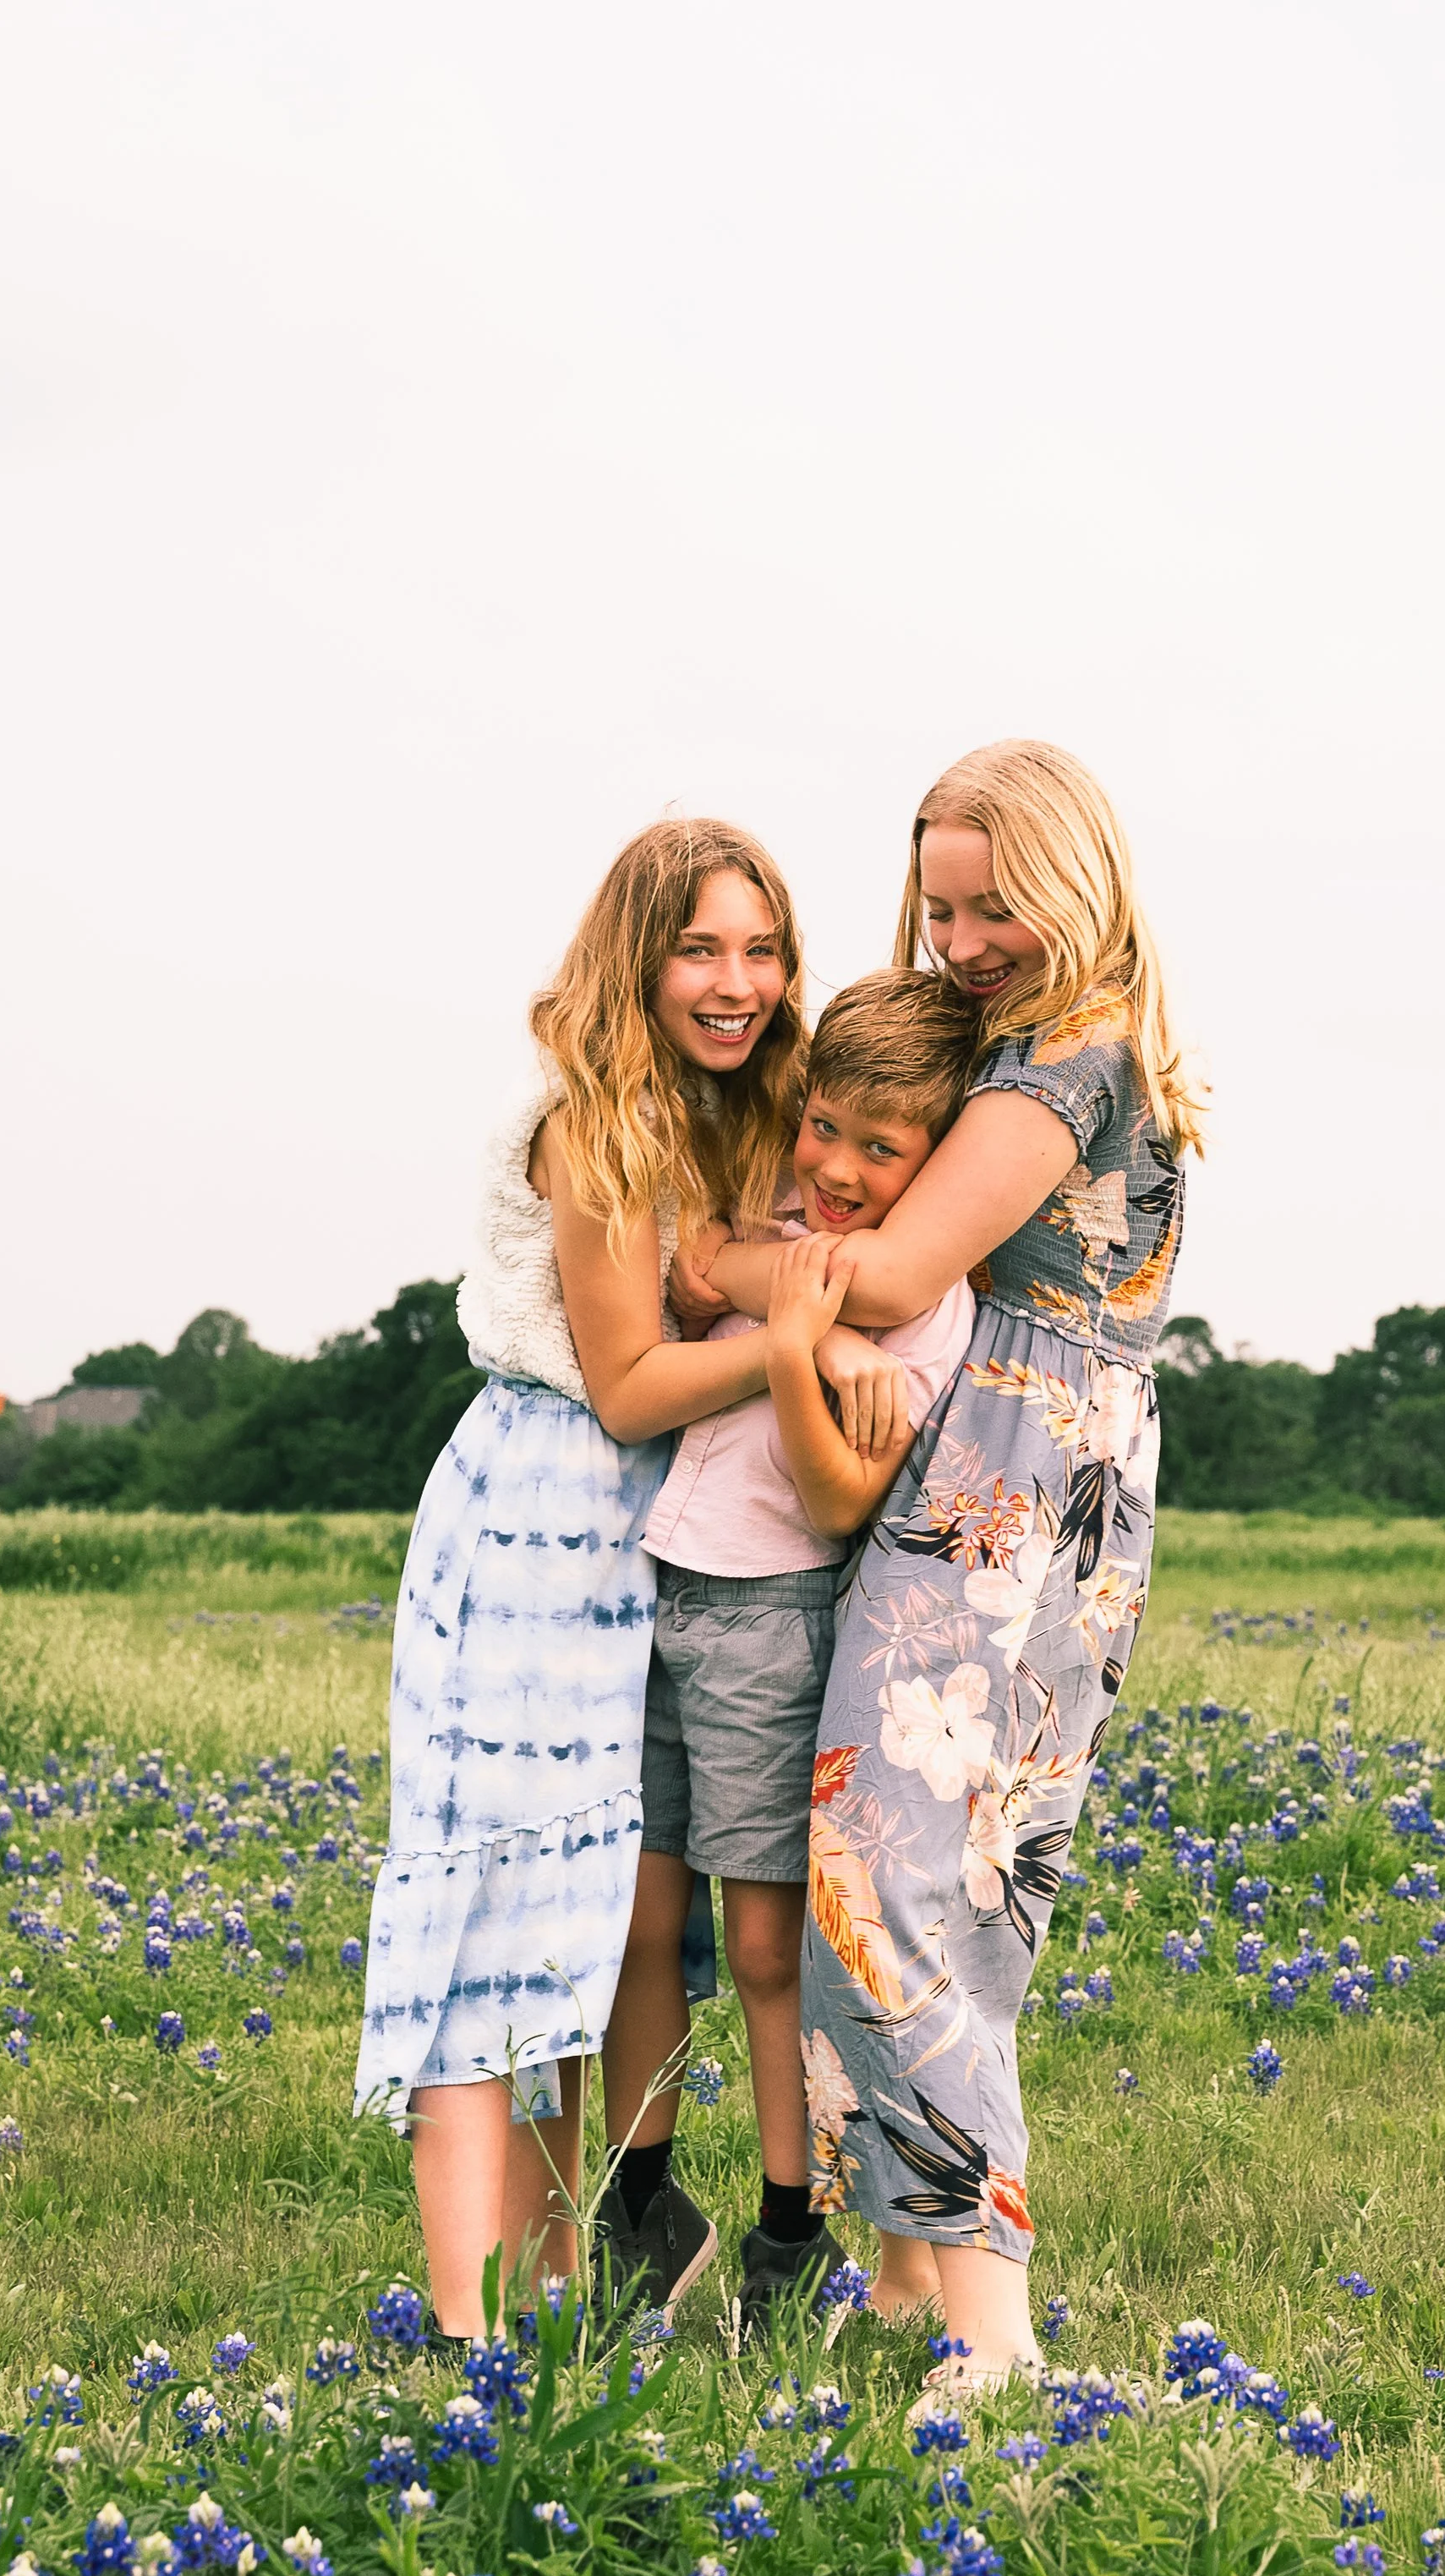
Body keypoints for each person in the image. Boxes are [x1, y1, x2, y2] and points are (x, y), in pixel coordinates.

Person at [674, 742, 1204, 2388]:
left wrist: (706, 1254)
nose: (959, 938)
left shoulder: (1065, 1064)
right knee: (957, 1880)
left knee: (888, 1875)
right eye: (938, 902)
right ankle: (909, 2282)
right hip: (1067, 1475)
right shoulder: (1060, 1039)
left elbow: (895, 1275)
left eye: (991, 904)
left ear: (1068, 880)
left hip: (999, 1481)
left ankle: (990, 2330)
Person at [353, 817, 907, 2344]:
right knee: (500, 1921)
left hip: (648, 1547)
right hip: (541, 1519)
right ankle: (481, 2344)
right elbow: (625, 1382)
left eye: (761, 948)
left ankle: (560, 2303)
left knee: (589, 1925)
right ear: (637, 957)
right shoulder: (589, 1122)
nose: (736, 983)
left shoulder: (720, 1111)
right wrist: (807, 1343)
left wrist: (796, 1300)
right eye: (699, 949)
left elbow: (732, 1253)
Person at [604, 968, 978, 2336]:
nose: (838, 1166)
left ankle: (787, 2231)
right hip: (660, 1591)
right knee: (645, 1918)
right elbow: (698, 1258)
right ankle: (641, 2205)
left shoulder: (925, 1312)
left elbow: (833, 1505)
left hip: (774, 1616)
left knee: (763, 1947)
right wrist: (796, 1328)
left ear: (936, 1169)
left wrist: (797, 1356)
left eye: (885, 1153)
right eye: (827, 1128)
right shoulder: (782, 1224)